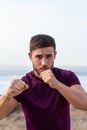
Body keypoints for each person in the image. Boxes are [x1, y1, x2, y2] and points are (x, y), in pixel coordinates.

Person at [0, 34, 87, 130]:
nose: (44, 63)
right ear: (30, 56)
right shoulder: (24, 84)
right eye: (39, 56)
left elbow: (85, 104)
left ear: (55, 55)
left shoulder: (67, 76)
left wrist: (57, 84)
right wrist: (7, 95)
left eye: (49, 56)